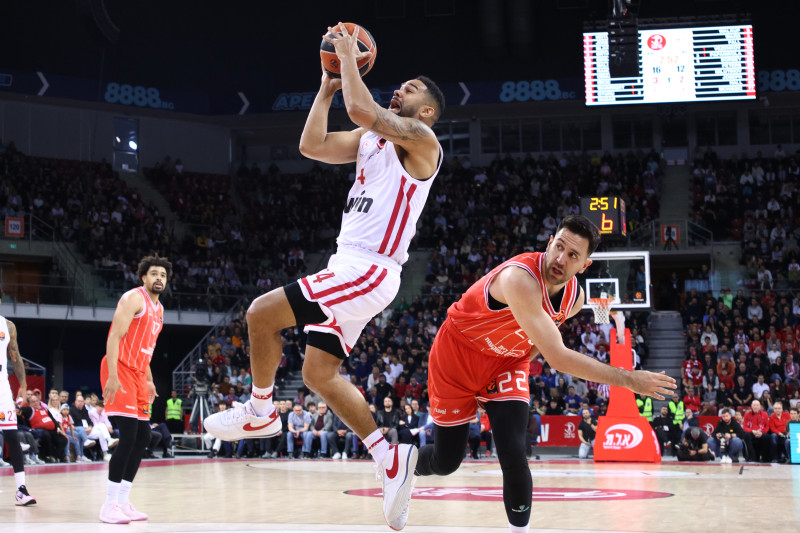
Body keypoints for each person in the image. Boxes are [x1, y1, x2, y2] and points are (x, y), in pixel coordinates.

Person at [203, 22, 445, 530]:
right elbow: (312, 145)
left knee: (259, 314)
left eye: (413, 89)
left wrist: (348, 55)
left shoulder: (423, 141)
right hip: (347, 267)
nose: (400, 87)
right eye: (403, 84)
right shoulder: (369, 139)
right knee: (317, 374)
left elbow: (363, 109)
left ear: (425, 111)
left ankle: (262, 409)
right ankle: (389, 457)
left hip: (371, 269)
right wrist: (325, 86)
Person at [413, 215, 676, 533]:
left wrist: (520, 361)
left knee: (512, 449)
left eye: (573, 256)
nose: (561, 259)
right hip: (457, 355)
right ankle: (402, 464)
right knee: (446, 462)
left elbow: (541, 340)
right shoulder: (518, 278)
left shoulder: (576, 299)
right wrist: (630, 379)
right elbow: (560, 358)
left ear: (584, 266)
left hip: (506, 363)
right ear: (550, 242)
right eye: (560, 247)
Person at [98, 255, 170, 524]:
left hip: (140, 374)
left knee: (143, 437)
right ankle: (108, 505)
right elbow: (114, 336)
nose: (159, 278)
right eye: (154, 274)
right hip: (120, 368)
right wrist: (113, 376)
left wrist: (149, 380)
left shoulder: (160, 309)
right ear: (144, 277)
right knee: (128, 436)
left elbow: (147, 350)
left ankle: (123, 501)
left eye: (162, 274)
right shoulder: (134, 298)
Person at [0, 290, 37, 505]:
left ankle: (21, 489)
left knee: (12, 435)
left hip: (2, 382)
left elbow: (15, 355)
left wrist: (23, 385)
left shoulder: (8, 326)